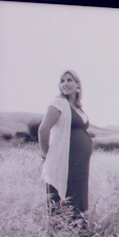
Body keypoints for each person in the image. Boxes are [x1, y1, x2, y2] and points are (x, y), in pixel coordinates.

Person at [38, 70, 93, 214]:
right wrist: (47, 156)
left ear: (78, 85)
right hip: (65, 161)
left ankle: (78, 228)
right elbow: (43, 130)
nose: (65, 84)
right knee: (63, 202)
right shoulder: (59, 103)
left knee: (77, 198)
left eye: (69, 80)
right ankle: (61, 228)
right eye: (62, 81)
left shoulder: (78, 108)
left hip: (79, 165)